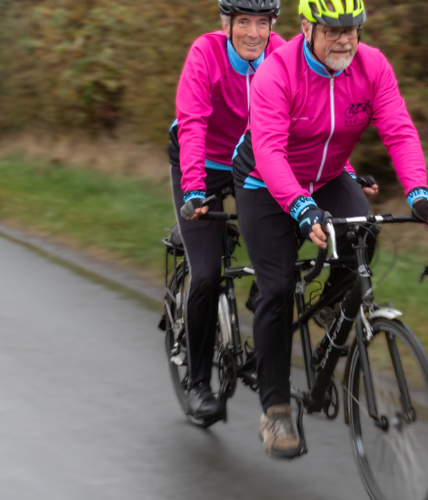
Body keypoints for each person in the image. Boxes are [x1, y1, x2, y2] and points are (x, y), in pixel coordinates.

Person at [226, 0, 428, 459]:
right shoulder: (277, 72)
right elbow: (268, 151)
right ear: (306, 27)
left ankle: (332, 308)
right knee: (279, 286)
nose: (345, 40)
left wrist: (418, 193)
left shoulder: (373, 66)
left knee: (365, 234)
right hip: (264, 181)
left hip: (325, 176)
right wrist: (300, 208)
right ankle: (276, 409)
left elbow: (398, 130)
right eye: (333, 30)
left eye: (353, 29)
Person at [169, 0, 284, 422]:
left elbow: (307, 119)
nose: (254, 32)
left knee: (282, 256)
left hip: (255, 167)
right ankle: (198, 383)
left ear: (272, 24)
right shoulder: (206, 53)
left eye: (262, 22)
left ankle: (261, 301)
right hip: (204, 167)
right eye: (243, 22)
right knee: (207, 274)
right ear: (226, 23)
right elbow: (193, 123)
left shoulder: (281, 54)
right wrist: (195, 190)